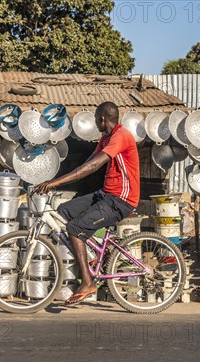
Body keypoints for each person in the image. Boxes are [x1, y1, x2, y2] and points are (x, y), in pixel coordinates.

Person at [36, 101, 140, 304]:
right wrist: (57, 181)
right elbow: (86, 163)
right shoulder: (106, 138)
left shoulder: (121, 137)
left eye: (95, 119)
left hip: (121, 200)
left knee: (75, 228)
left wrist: (54, 182)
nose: (94, 122)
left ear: (102, 118)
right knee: (63, 211)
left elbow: (93, 165)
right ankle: (92, 252)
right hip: (107, 194)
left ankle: (88, 282)